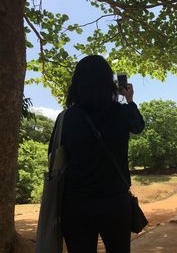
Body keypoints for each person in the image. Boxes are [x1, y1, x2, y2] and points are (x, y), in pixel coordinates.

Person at [49, 55, 145, 253]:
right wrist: (129, 99)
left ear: (77, 84)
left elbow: (53, 154)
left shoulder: (66, 117)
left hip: (76, 203)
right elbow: (138, 126)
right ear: (109, 83)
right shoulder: (122, 112)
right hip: (115, 202)